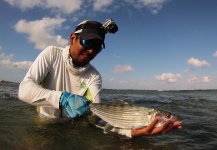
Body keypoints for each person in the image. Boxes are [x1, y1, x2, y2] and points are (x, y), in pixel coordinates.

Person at [18, 19, 181, 138]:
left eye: (97, 48)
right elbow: (24, 90)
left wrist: (134, 132)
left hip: (73, 129)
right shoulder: (51, 54)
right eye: (87, 43)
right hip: (44, 123)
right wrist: (62, 98)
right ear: (72, 38)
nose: (91, 51)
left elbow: (99, 118)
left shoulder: (94, 76)